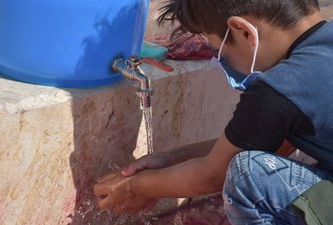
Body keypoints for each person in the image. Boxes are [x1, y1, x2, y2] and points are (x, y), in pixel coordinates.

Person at [94, 0, 333, 224]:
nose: (220, 59)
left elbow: (213, 174)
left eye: (217, 48)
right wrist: (165, 160)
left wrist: (137, 187)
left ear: (243, 31)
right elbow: (253, 144)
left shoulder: (281, 89)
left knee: (248, 174)